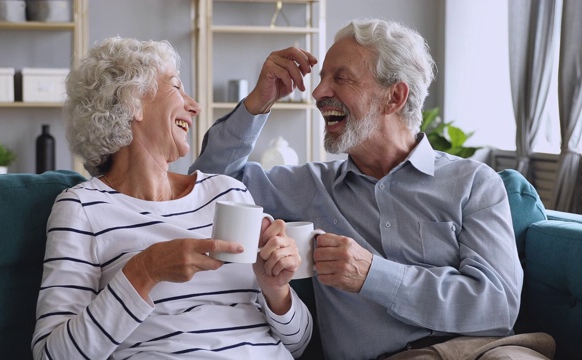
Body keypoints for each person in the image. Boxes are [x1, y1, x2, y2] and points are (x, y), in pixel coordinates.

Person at [190, 18, 556, 359]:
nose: (318, 92)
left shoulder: (475, 183)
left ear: (394, 97)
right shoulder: (310, 187)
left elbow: (497, 306)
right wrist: (259, 102)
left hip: (485, 351)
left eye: (341, 78)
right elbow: (207, 187)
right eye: (321, 78)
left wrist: (372, 275)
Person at [31, 36, 312, 360]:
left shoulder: (227, 191)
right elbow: (51, 356)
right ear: (131, 101)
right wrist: (146, 270)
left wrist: (276, 289)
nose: (195, 106)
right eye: (177, 87)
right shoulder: (82, 209)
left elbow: (299, 343)